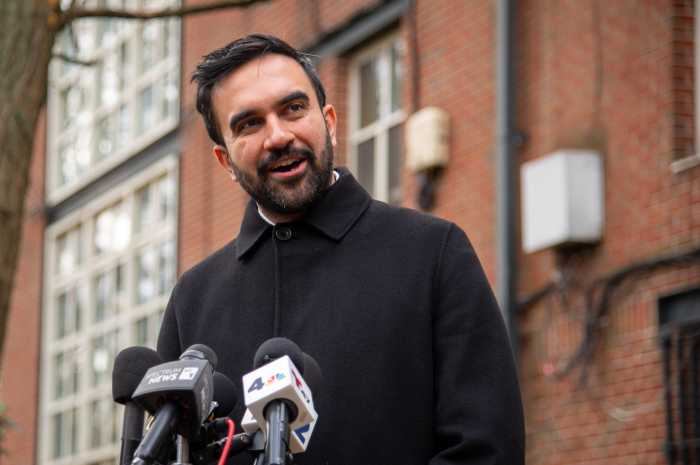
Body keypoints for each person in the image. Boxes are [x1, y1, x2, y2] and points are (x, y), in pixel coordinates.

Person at [157, 33, 525, 465]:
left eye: (293, 108)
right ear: (226, 162)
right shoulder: (192, 299)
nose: (278, 136)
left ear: (329, 121)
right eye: (249, 124)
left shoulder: (433, 252)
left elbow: (486, 449)